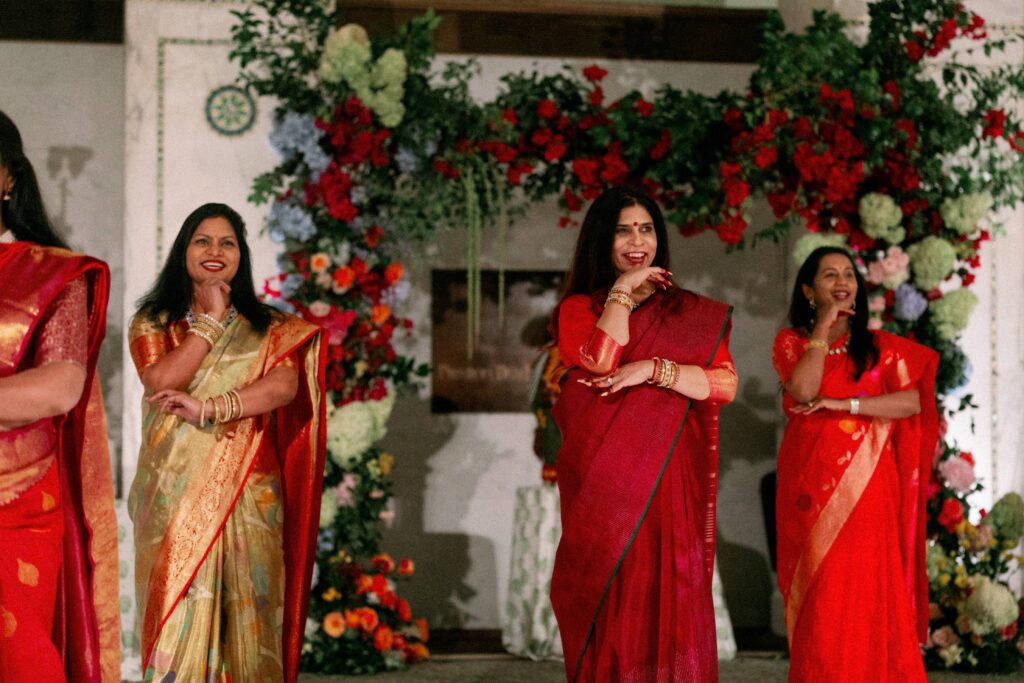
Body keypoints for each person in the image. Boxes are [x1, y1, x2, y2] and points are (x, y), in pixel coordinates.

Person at [127, 202, 327, 682]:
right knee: (178, 612)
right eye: (203, 241)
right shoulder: (155, 321)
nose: (214, 251)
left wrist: (210, 409)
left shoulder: (270, 327)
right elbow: (159, 380)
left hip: (251, 492)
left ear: (241, 255)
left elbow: (283, 387)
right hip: (173, 494)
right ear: (184, 251)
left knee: (251, 612)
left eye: (227, 242)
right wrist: (211, 324)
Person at [549, 186, 737, 682]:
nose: (638, 240)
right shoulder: (577, 309)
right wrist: (621, 292)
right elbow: (599, 358)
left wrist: (656, 369)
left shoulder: (691, 312)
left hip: (670, 482)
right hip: (607, 487)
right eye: (623, 229)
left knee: (670, 592)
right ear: (601, 240)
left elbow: (723, 382)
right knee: (618, 598)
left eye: (646, 228)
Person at [772, 246, 938, 682]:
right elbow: (804, 391)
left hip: (868, 491)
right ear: (809, 290)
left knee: (866, 590)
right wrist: (824, 327)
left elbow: (912, 401)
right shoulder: (792, 341)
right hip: (810, 487)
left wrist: (846, 402)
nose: (842, 282)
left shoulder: (881, 348)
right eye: (829, 276)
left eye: (848, 274)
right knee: (823, 593)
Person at [0, 110, 120, 682]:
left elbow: (61, 386)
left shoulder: (50, 274)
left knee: (18, 657)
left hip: (14, 500)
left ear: (9, 179)